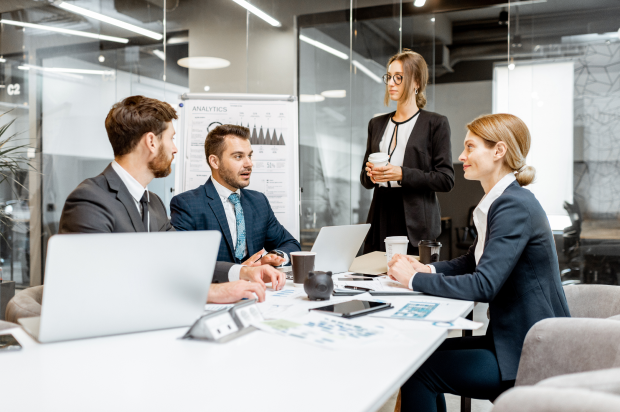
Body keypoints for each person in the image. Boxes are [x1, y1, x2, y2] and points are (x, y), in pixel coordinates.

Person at [387, 113, 571, 411]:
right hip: (509, 339)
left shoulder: (514, 205)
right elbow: (473, 263)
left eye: (470, 147)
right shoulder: (503, 201)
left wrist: (413, 279)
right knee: (419, 355)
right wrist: (426, 268)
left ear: (499, 151)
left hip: (529, 355)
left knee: (418, 371)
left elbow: (484, 285)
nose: (461, 156)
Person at [59, 95, 285, 304]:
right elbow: (96, 285)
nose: (175, 149)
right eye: (171, 138)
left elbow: (184, 260)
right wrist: (211, 292)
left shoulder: (153, 203)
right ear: (151, 142)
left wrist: (244, 272)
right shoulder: (89, 200)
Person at [361, 49, 454, 255]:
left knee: (410, 281)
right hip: (380, 213)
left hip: (416, 221)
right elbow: (365, 181)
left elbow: (446, 179)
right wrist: (370, 173)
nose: (391, 83)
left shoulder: (435, 123)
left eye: (399, 78)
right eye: (389, 77)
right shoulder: (376, 124)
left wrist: (402, 174)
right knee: (374, 278)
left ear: (417, 82)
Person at [170, 124, 301, 267]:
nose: (249, 164)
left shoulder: (259, 201)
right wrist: (238, 271)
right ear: (215, 161)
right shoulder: (187, 204)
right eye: (238, 156)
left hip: (255, 288)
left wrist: (274, 256)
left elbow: (291, 244)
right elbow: (182, 262)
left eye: (249, 156)